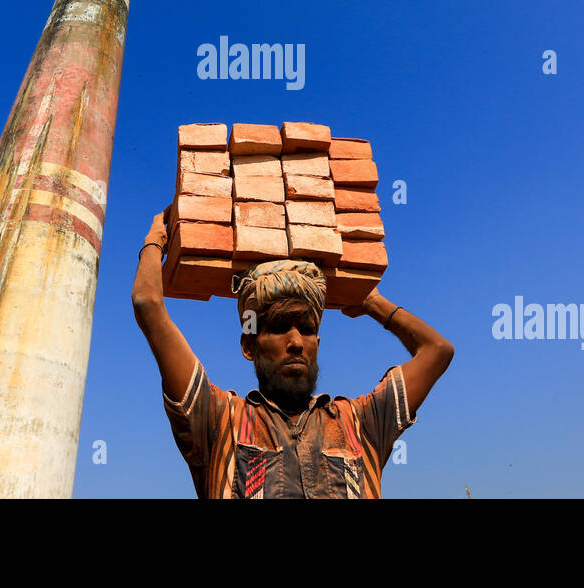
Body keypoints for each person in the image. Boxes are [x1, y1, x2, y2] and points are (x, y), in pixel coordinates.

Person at [131, 209, 454, 498]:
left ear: (318, 344)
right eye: (279, 327)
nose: (296, 341)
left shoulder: (360, 423)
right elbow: (148, 302)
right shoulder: (218, 421)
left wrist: (373, 303)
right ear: (249, 346)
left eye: (308, 329)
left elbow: (437, 351)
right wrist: (155, 240)